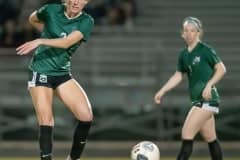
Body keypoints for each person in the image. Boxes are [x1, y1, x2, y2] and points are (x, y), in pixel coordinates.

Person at [16, 0, 94, 160]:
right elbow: (32, 18)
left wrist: (41, 40)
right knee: (46, 120)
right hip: (40, 71)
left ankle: (73, 159)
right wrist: (46, 31)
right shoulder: (51, 10)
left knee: (86, 116)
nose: (77, 2)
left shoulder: (86, 21)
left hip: (61, 73)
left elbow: (66, 43)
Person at [154, 17, 226, 160]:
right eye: (186, 30)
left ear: (198, 33)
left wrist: (209, 85)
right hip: (198, 101)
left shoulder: (205, 50)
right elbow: (178, 76)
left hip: (206, 100)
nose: (189, 33)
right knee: (211, 138)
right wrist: (162, 90)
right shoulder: (184, 55)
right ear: (182, 33)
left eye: (193, 30)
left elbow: (222, 69)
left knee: (186, 134)